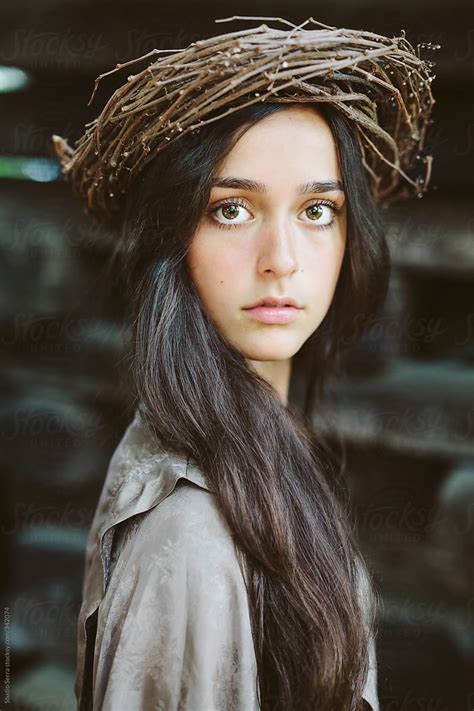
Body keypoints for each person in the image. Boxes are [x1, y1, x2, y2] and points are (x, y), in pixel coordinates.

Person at [52, 15, 437, 710]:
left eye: (318, 210)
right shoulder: (192, 537)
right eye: (231, 209)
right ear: (173, 237)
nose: (282, 259)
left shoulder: (268, 443)